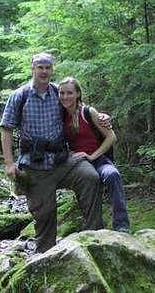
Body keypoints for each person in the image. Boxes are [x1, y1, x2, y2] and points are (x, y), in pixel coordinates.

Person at [0, 53, 105, 253]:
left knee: (90, 177)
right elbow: (6, 129)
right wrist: (9, 163)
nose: (44, 71)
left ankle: (96, 239)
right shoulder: (20, 96)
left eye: (48, 68)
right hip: (34, 165)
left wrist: (102, 117)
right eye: (40, 67)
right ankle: (45, 257)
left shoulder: (59, 93)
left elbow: (81, 110)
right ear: (33, 68)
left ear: (52, 70)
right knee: (45, 213)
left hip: (62, 160)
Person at [58, 76, 130, 233]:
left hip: (99, 160)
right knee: (88, 185)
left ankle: (121, 225)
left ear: (77, 94)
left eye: (69, 93)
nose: (65, 97)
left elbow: (111, 137)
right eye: (62, 93)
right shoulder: (59, 116)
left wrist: (92, 156)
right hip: (79, 164)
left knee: (112, 175)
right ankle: (97, 228)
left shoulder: (88, 112)